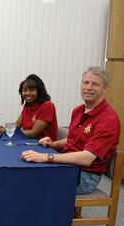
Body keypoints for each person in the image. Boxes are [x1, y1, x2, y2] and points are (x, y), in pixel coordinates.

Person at [21, 66, 121, 194]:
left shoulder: (108, 119)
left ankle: (51, 213)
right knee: (25, 172)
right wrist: (54, 144)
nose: (88, 87)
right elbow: (74, 139)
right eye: (86, 83)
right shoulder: (78, 110)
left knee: (30, 182)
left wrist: (47, 156)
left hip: (85, 176)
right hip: (68, 165)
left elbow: (87, 158)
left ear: (105, 88)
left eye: (95, 84)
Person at [0, 74, 58, 140]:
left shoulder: (48, 106)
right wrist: (1, 129)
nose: (27, 93)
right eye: (25, 90)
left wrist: (5, 132)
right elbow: (17, 125)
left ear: (39, 91)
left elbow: (34, 132)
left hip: (45, 146)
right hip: (29, 142)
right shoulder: (28, 105)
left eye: (32, 90)